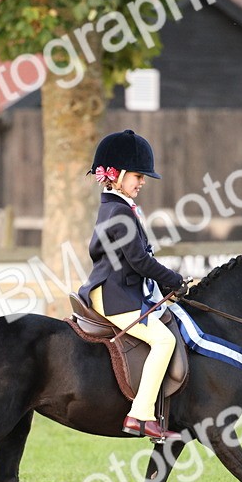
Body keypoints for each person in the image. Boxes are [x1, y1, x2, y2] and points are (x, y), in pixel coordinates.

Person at [77, 129, 188, 441]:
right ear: (117, 175)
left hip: (118, 290)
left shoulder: (115, 208)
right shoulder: (120, 212)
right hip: (114, 296)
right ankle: (141, 415)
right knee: (164, 341)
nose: (142, 182)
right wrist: (174, 279)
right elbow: (140, 261)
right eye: (138, 175)